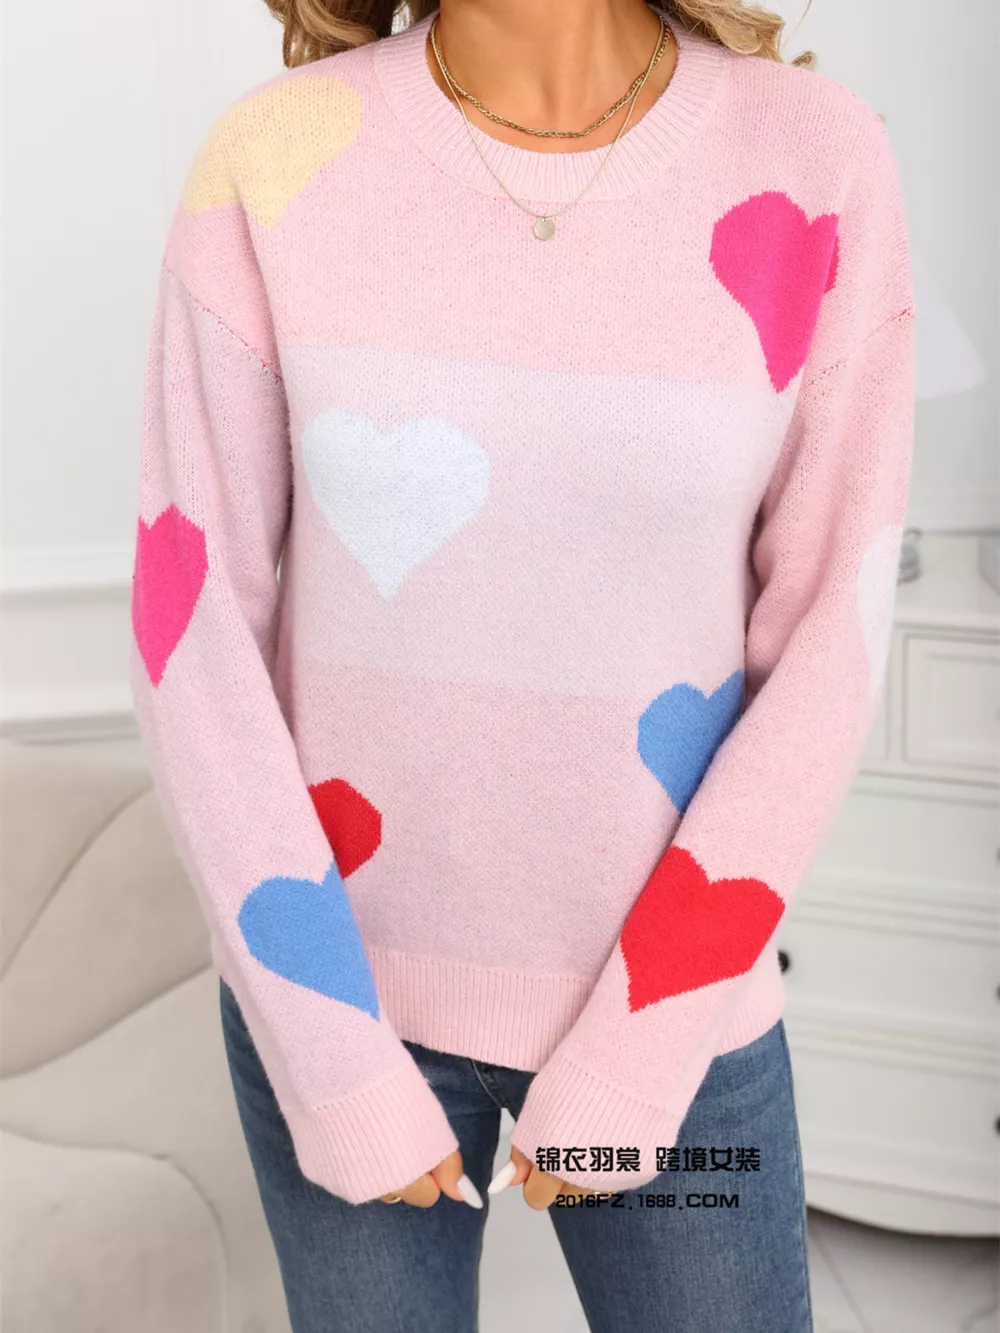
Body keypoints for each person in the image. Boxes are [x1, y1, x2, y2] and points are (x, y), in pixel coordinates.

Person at [128, 0, 916, 1328]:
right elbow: (188, 632)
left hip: (676, 1020)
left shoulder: (816, 156)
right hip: (344, 1003)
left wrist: (641, 1052)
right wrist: (332, 1057)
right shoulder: (271, 161)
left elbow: (829, 639)